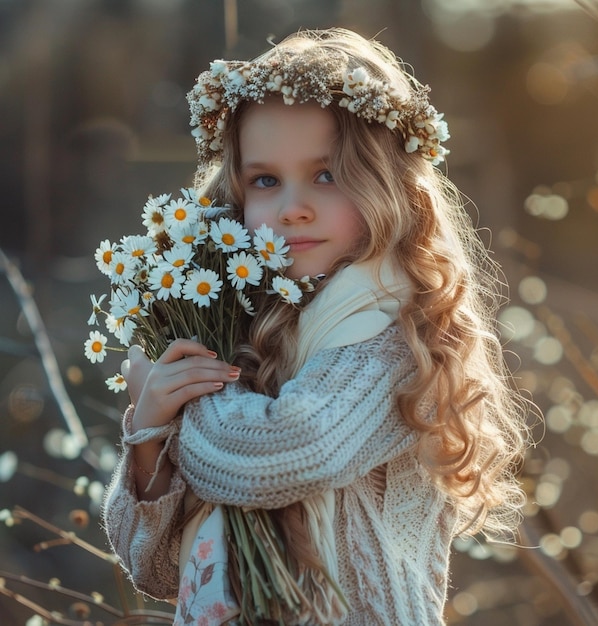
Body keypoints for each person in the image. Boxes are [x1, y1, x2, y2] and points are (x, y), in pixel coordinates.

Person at [102, 27, 531, 625]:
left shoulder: (398, 334)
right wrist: (147, 436)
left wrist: (190, 403)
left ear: (387, 183)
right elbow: (158, 570)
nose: (292, 207)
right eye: (265, 180)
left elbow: (290, 448)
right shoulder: (242, 336)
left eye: (327, 175)